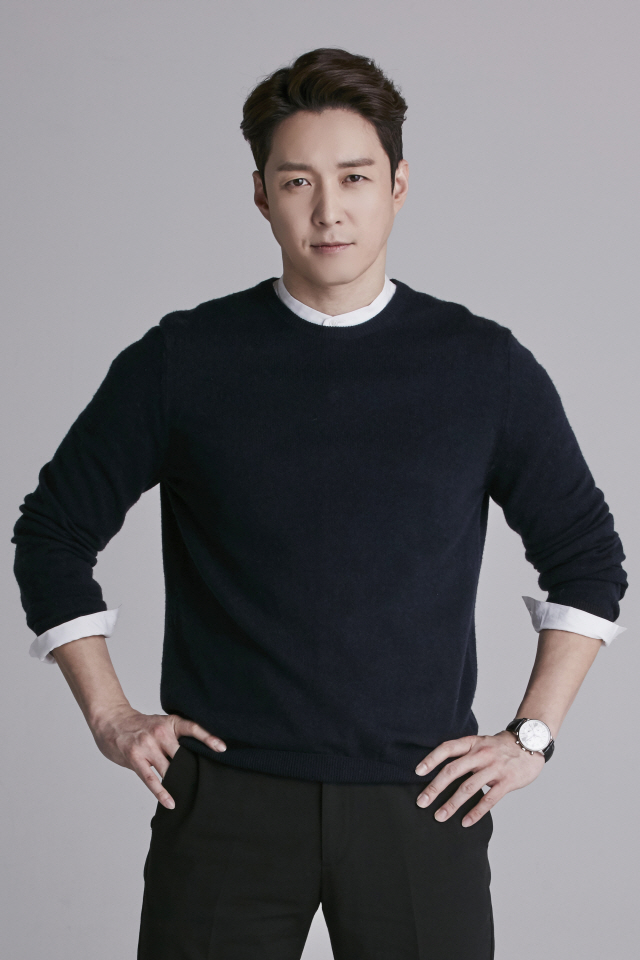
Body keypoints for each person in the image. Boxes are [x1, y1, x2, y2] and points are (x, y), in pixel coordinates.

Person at [12, 48, 628, 960]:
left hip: (422, 800)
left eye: (355, 177)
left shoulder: (482, 367)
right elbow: (51, 535)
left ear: (399, 185)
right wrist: (111, 714)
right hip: (224, 801)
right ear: (261, 196)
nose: (328, 209)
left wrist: (531, 735)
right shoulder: (184, 360)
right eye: (297, 181)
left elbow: (588, 558)